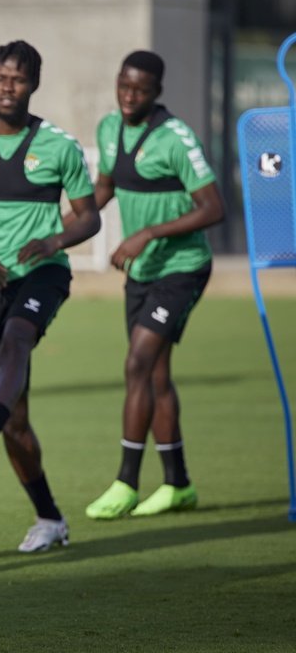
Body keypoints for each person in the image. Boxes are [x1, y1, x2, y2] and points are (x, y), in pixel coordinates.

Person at [0, 41, 101, 552]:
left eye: (18, 79)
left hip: (45, 274)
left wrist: (54, 241)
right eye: (0, 78)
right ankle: (50, 517)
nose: (8, 88)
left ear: (34, 84)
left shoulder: (59, 145)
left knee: (17, 338)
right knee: (16, 414)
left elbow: (89, 215)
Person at [82, 50, 223, 520]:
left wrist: (147, 234)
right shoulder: (109, 128)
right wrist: (57, 231)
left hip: (181, 267)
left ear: (157, 92)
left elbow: (212, 207)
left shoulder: (177, 139)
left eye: (139, 89)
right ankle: (178, 484)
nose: (129, 96)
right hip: (140, 272)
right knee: (156, 374)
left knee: (137, 365)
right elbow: (102, 190)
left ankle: (125, 481)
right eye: (124, 85)